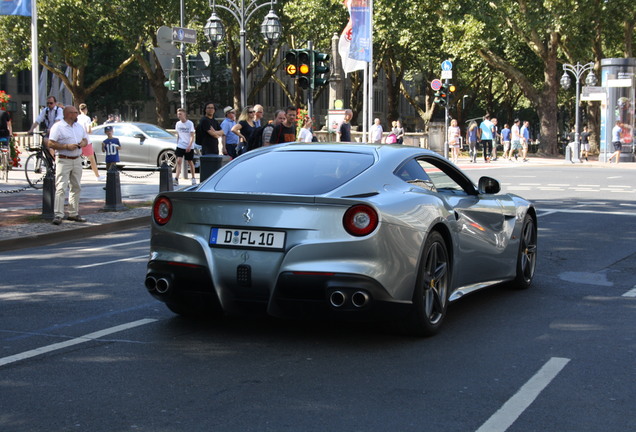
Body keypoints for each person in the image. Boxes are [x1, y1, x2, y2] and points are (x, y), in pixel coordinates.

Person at [48, 105, 89, 225]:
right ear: (67, 114)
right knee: (61, 187)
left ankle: (73, 213)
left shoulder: (78, 126)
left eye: (76, 112)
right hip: (63, 159)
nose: (77, 114)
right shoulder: (58, 127)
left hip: (77, 159)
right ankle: (58, 214)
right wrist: (66, 147)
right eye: (74, 112)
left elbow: (86, 140)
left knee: (76, 186)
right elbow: (51, 143)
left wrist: (82, 143)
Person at [77, 103, 104, 181]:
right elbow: (89, 130)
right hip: (86, 140)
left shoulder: (77, 118)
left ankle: (76, 176)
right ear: (86, 110)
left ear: (79, 110)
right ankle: (97, 176)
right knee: (92, 159)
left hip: (78, 140)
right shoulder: (87, 118)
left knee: (77, 159)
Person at [174, 108, 196, 185]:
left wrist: (189, 145)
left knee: (190, 161)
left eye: (180, 114)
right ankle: (176, 178)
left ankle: (193, 177)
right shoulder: (177, 124)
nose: (179, 115)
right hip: (180, 145)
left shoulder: (190, 124)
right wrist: (177, 144)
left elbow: (192, 136)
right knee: (178, 161)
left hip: (189, 145)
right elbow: (178, 135)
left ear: (184, 114)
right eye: (178, 114)